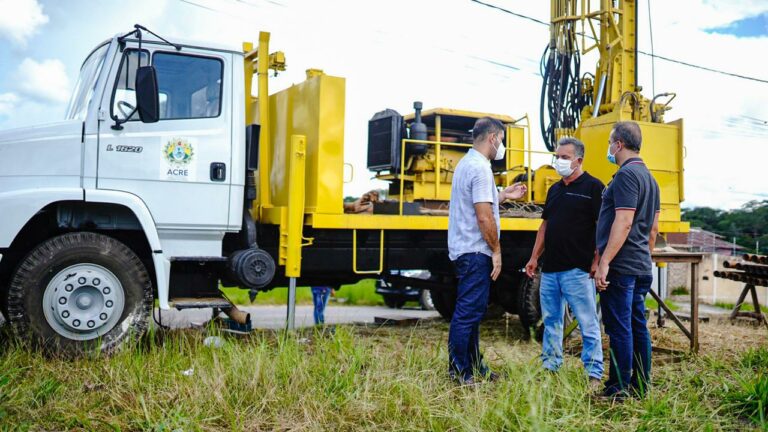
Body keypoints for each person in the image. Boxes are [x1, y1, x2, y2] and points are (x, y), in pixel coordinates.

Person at [447, 116, 527, 385]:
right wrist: (496, 250)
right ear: (493, 138)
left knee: (473, 310)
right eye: (502, 140)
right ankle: (459, 371)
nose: (501, 147)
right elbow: (483, 216)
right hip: (475, 251)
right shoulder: (480, 169)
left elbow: (482, 199)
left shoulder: (467, 164)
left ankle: (473, 367)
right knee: (468, 311)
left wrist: (504, 194)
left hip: (464, 249)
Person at [525, 137, 604, 389]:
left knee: (587, 323)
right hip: (550, 271)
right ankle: (551, 367)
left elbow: (603, 228)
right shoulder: (555, 190)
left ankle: (593, 373)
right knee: (551, 323)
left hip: (577, 271)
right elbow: (545, 226)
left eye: (565, 157)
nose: (558, 161)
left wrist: (597, 261)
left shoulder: (593, 188)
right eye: (557, 156)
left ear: (579, 160)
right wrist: (534, 257)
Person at [594, 121, 660, 399]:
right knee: (636, 326)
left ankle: (618, 387)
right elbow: (654, 229)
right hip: (641, 263)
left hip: (622, 266)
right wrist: (644, 255)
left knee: (620, 327)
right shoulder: (650, 179)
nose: (609, 147)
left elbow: (623, 221)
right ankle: (641, 386)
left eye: (610, 142)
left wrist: (605, 261)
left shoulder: (625, 176)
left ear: (619, 144)